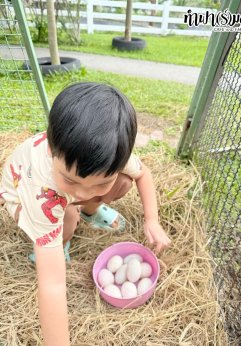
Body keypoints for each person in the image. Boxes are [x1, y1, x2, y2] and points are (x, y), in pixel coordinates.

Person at [0, 82, 171, 345]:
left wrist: (152, 219)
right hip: (21, 193)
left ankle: (91, 211)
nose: (82, 194)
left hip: (59, 189)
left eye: (101, 182)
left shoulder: (110, 152)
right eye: (71, 181)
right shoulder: (40, 185)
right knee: (68, 217)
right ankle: (56, 243)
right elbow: (52, 285)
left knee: (123, 182)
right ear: (51, 150)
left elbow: (142, 174)